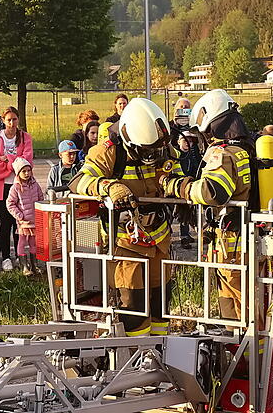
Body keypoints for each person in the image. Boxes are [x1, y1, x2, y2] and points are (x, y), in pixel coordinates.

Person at [71, 97, 179, 337]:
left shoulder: (161, 144)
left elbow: (175, 171)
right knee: (133, 307)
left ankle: (160, 352)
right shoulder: (109, 151)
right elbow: (79, 181)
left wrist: (177, 184)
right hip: (125, 244)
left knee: (161, 304)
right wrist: (108, 186)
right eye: (146, 150)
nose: (151, 155)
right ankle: (137, 359)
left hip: (158, 240)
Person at [162, 89, 254, 323]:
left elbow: (213, 191)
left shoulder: (222, 153)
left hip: (232, 244)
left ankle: (244, 352)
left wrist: (178, 186)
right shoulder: (245, 147)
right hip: (247, 235)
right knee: (249, 300)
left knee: (235, 299)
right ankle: (253, 351)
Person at [0, 106, 34, 271]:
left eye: (14, 119)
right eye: (8, 120)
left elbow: (27, 161)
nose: (12, 123)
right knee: (4, 224)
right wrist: (14, 163)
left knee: (19, 223)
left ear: (18, 120)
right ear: (3, 121)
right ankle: (6, 257)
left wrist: (7, 158)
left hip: (20, 187)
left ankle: (19, 256)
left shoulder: (25, 137)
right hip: (0, 188)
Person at [169, 97, 199, 249]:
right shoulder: (170, 127)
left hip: (193, 171)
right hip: (177, 174)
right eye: (181, 108)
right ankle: (182, 235)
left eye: (187, 108)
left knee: (191, 206)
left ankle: (189, 233)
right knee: (179, 206)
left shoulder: (195, 127)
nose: (184, 111)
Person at [8, 157, 43, 275]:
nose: (27, 173)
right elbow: (10, 203)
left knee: (34, 243)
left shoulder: (35, 185)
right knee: (22, 243)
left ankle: (35, 265)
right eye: (24, 171)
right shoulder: (15, 187)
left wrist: (40, 212)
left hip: (35, 220)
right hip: (23, 222)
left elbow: (41, 198)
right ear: (18, 173)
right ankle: (24, 266)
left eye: (29, 170)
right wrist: (19, 215)